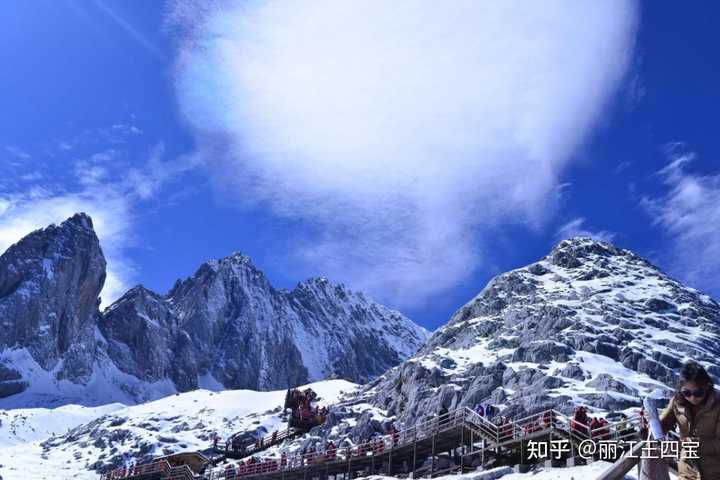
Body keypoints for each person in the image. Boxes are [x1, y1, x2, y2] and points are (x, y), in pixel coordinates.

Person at [660, 361, 720, 479]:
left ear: (707, 387)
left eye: (698, 393)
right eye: (686, 393)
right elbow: (660, 429)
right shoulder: (677, 402)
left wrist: (694, 443)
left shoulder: (718, 404)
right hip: (687, 473)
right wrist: (647, 427)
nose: (692, 397)